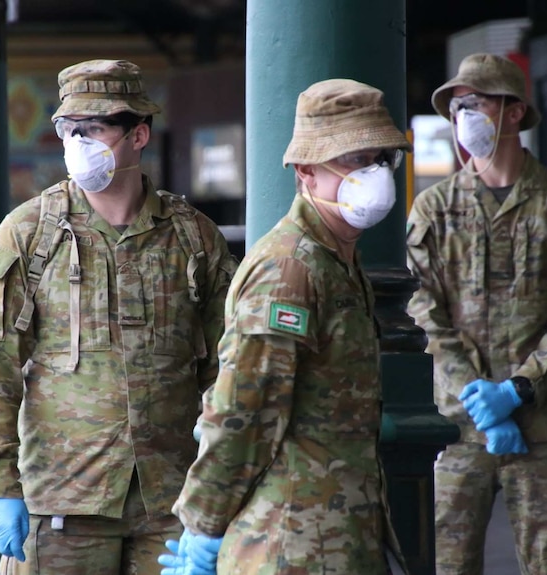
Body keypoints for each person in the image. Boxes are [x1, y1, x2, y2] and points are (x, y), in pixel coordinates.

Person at [0, 59, 237, 575]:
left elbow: (225, 370)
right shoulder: (29, 233)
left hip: (170, 502)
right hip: (63, 499)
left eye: (94, 129)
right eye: (68, 130)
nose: (78, 142)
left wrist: (220, 489)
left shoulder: (193, 237)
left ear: (139, 134)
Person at [161, 79, 412, 575]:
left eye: (383, 158)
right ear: (305, 173)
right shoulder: (290, 268)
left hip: (337, 535)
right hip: (292, 544)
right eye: (354, 160)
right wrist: (204, 526)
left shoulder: (335, 259)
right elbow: (244, 409)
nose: (375, 173)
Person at [406, 53, 547, 575]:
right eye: (456, 108)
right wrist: (478, 399)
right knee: (443, 565)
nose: (463, 118)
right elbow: (424, 313)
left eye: (474, 104)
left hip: (545, 430)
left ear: (514, 112)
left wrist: (517, 389)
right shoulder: (433, 209)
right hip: (456, 431)